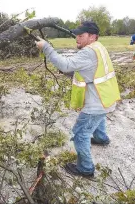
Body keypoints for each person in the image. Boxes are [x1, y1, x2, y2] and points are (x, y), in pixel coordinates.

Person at [34, 21, 121, 177]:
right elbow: (89, 70)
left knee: (80, 133)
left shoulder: (88, 52)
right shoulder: (99, 47)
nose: (77, 39)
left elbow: (66, 65)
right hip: (106, 97)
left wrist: (46, 47)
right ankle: (101, 138)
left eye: (81, 36)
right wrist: (70, 72)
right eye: (76, 35)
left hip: (96, 103)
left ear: (93, 36)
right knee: (99, 119)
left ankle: (86, 168)